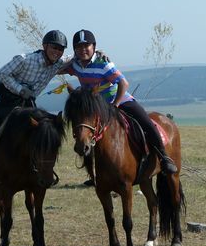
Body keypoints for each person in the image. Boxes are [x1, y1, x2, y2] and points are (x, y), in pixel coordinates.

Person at [64, 29, 178, 175]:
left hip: (118, 100)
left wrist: (116, 104)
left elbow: (123, 83)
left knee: (146, 122)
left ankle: (164, 157)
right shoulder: (75, 65)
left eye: (87, 46)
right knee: (86, 132)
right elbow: (58, 68)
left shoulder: (103, 64)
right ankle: (95, 173)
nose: (83, 50)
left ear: (94, 47)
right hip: (95, 106)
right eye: (79, 47)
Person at [0, 30, 69, 186]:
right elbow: (3, 73)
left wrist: (98, 52)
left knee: (48, 131)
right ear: (45, 46)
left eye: (60, 49)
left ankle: (46, 169)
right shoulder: (24, 59)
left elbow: (75, 57)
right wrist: (20, 89)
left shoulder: (57, 63)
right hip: (8, 101)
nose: (57, 52)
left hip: (29, 104)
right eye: (54, 47)